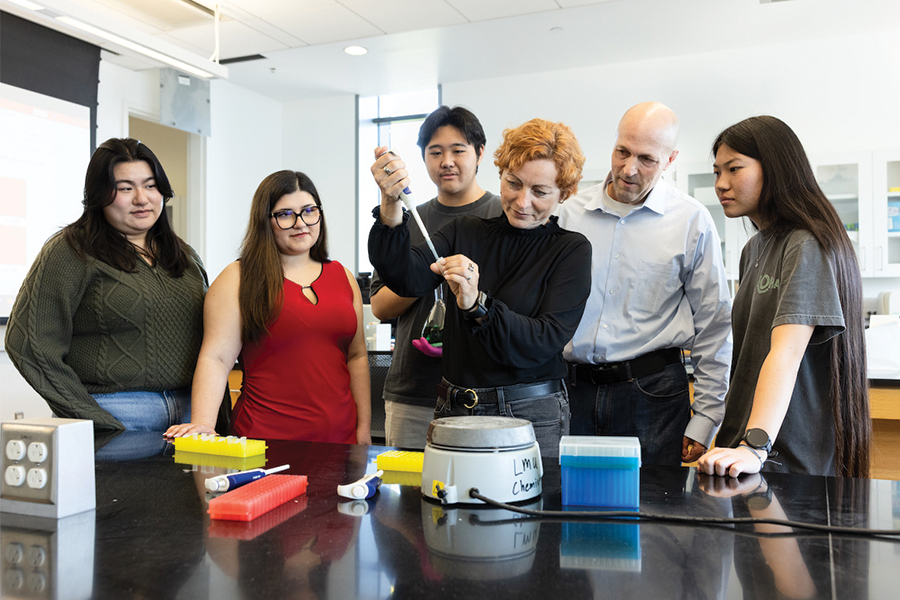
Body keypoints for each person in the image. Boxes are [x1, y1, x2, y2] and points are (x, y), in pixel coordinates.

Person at [369, 118, 592, 458]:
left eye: (540, 192)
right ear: (500, 173)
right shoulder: (465, 231)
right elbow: (406, 278)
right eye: (513, 183)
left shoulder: (570, 250)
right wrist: (390, 206)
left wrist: (477, 304)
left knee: (531, 510)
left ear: (565, 192)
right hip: (456, 409)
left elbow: (542, 340)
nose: (521, 201)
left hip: (531, 414)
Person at [557, 102, 733, 467]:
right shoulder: (569, 214)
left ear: (670, 160)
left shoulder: (691, 222)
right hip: (571, 390)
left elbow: (714, 325)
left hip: (652, 395)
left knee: (652, 514)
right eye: (622, 151)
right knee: (567, 508)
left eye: (647, 159)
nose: (628, 168)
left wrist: (706, 417)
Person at [698, 116, 870, 478]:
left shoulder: (805, 244)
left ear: (775, 168)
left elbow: (787, 352)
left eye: (734, 168)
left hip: (786, 456)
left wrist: (755, 446)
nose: (721, 184)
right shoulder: (753, 250)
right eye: (716, 172)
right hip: (743, 448)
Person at [4, 138, 207, 431]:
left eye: (150, 186)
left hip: (191, 415)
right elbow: (28, 344)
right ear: (99, 195)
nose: (142, 198)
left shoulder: (185, 255)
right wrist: (90, 418)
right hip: (117, 414)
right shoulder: (71, 249)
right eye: (125, 188)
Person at [165, 170, 371, 444]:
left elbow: (356, 357)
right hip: (263, 441)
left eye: (309, 211)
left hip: (339, 440)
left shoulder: (343, 276)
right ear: (265, 221)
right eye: (285, 214)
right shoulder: (238, 277)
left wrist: (364, 428)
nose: (300, 223)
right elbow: (216, 358)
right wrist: (203, 423)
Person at [369, 106, 502, 449]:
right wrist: (422, 275)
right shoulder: (406, 219)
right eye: (435, 151)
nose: (447, 161)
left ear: (479, 154)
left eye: (458, 150)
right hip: (413, 392)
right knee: (409, 497)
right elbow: (380, 307)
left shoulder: (504, 215)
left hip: (487, 392)